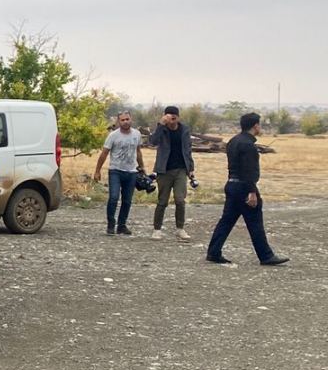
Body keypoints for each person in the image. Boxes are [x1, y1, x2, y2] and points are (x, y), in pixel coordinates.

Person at [205, 112, 289, 267]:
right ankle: (266, 256)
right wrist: (252, 191)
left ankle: (213, 252)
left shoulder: (233, 141)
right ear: (255, 125)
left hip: (231, 184)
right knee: (255, 222)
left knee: (226, 221)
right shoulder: (248, 146)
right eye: (259, 125)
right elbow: (248, 170)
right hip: (244, 187)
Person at [147, 105, 196, 241]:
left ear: (178, 117)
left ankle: (180, 228)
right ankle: (157, 229)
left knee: (180, 200)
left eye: (174, 117)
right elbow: (152, 142)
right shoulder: (162, 130)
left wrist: (191, 169)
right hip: (164, 170)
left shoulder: (184, 130)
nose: (172, 120)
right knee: (162, 201)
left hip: (181, 169)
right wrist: (160, 125)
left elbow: (188, 150)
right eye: (169, 117)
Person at [92, 111, 145, 235]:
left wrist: (141, 167)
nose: (125, 122)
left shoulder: (136, 134)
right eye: (122, 120)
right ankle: (111, 224)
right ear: (118, 121)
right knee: (114, 198)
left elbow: (138, 151)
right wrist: (97, 171)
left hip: (131, 172)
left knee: (127, 200)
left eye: (127, 119)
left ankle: (122, 225)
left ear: (131, 119)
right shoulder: (113, 136)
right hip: (115, 170)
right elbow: (104, 153)